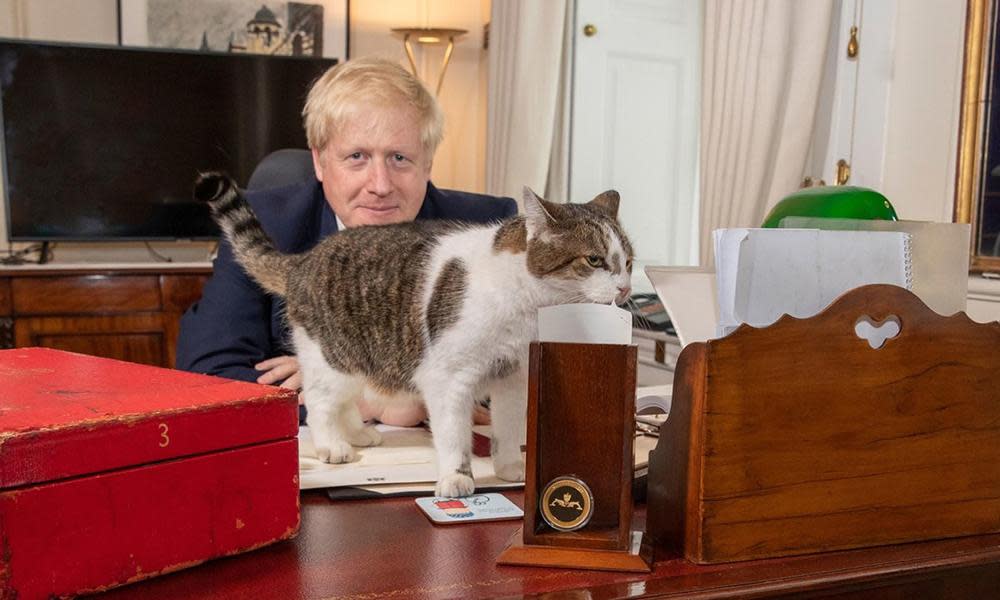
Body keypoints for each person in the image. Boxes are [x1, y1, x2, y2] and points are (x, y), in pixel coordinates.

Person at [176, 57, 517, 425]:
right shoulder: (267, 223)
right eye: (357, 157)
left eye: (400, 158)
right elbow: (208, 375)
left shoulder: (486, 230)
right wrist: (368, 402)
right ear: (320, 162)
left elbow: (523, 380)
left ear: (428, 163)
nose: (380, 185)